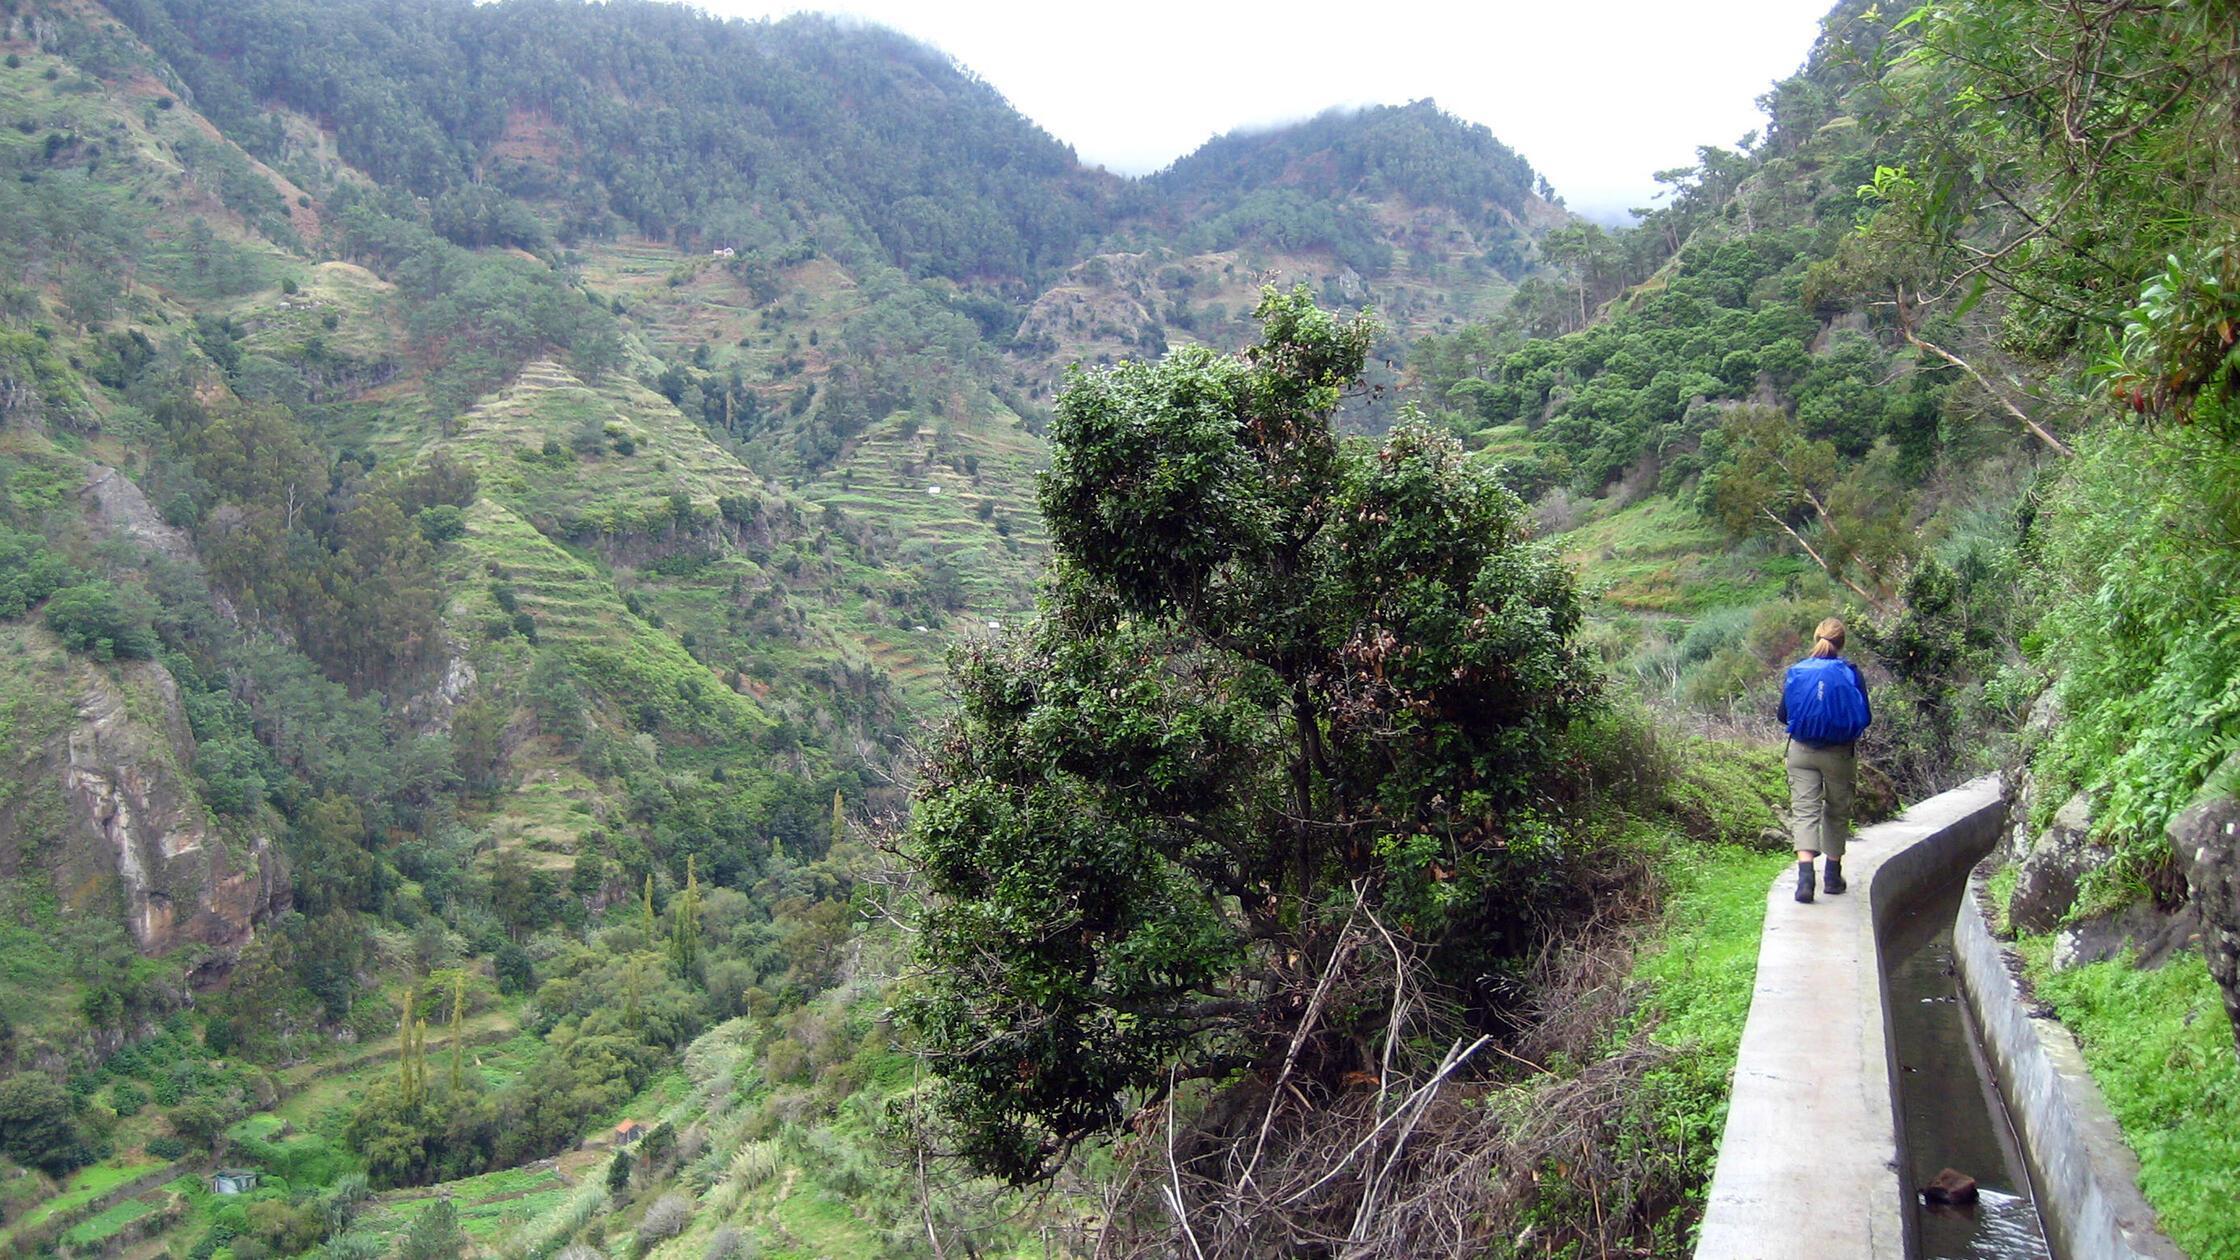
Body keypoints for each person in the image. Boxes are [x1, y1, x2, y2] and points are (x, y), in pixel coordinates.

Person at [1779, 616, 1871, 903]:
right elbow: (1865, 716)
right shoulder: (1851, 673)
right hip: (1839, 753)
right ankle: (1832, 876)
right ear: (1841, 643)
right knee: (1836, 809)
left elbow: (1783, 715)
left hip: (1801, 751)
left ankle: (1805, 880)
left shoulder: (1797, 671)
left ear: (1815, 638)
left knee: (1804, 811)